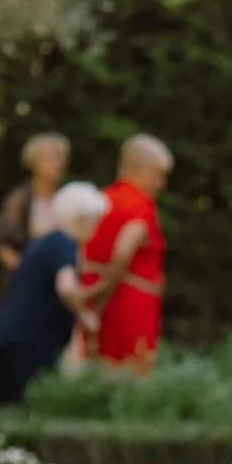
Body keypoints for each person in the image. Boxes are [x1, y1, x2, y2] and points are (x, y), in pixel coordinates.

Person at [0, 183, 107, 406]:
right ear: (82, 218)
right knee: (28, 411)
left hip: (7, 337)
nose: (95, 230)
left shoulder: (43, 244)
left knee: (1, 416)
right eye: (95, 222)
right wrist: (85, 315)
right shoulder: (64, 244)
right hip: (33, 344)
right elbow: (66, 287)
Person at [81, 135, 173, 373]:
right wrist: (105, 287)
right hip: (131, 302)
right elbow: (124, 250)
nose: (160, 184)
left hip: (93, 295)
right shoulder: (139, 206)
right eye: (158, 174)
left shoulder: (101, 200)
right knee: (132, 370)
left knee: (97, 363)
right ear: (137, 169)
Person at [0, 133, 70, 285]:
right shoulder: (19, 200)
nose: (57, 164)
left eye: (60, 158)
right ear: (33, 163)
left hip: (61, 283)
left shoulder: (67, 199)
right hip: (27, 283)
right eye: (50, 159)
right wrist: (24, 271)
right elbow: (2, 244)